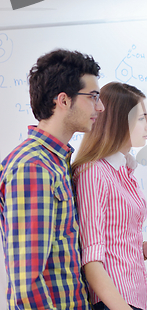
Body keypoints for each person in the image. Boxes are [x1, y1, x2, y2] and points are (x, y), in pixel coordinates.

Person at [0, 49, 104, 309]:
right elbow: (27, 282)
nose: (100, 107)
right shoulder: (33, 167)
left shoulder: (57, 161)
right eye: (93, 97)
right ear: (64, 100)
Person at [72, 82, 147, 310]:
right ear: (119, 120)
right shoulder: (93, 172)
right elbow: (92, 258)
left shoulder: (124, 170)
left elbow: (117, 246)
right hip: (115, 302)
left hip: (135, 297)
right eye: (142, 118)